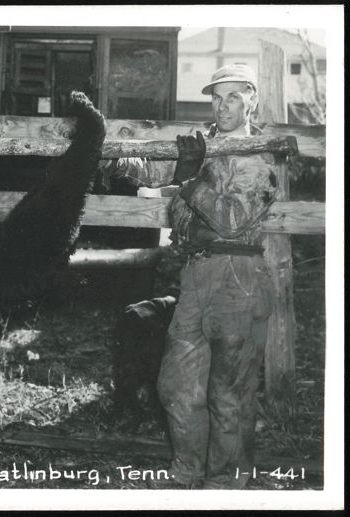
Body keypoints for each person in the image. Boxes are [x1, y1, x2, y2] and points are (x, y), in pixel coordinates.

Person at [152, 64, 278, 489]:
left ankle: (225, 486)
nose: (222, 106)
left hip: (238, 280)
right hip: (195, 275)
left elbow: (231, 220)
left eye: (233, 98)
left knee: (229, 395)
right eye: (216, 97)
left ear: (251, 101)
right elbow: (166, 184)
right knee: (176, 386)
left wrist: (190, 180)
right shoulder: (201, 147)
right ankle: (187, 475)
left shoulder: (260, 155)